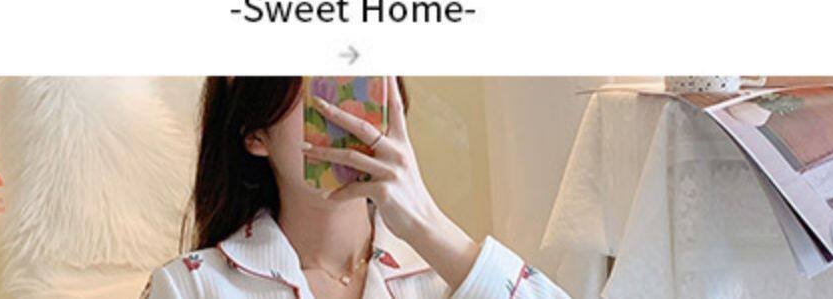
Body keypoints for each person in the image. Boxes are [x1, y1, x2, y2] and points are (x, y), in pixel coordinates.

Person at [149, 77, 561, 299]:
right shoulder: (191, 287)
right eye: (318, 92)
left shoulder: (449, 278)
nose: (342, 115)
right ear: (256, 133)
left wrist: (425, 221)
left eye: (359, 87)